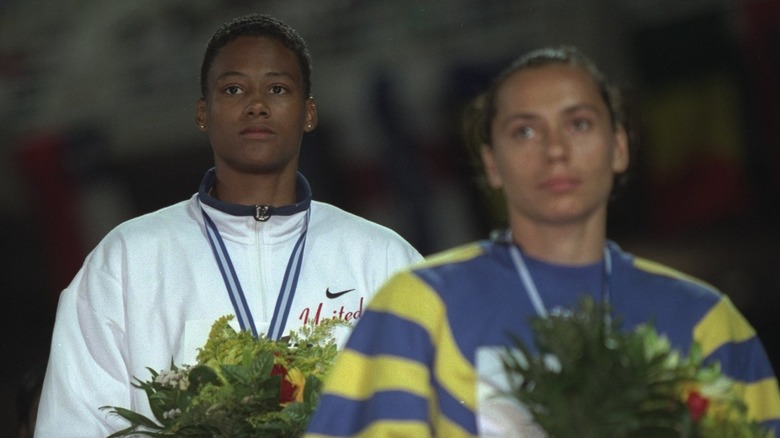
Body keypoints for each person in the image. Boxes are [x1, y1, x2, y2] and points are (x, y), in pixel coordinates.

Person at [305, 46, 780, 437]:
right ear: (491, 161)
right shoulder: (417, 308)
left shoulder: (709, 322)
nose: (555, 150)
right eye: (525, 130)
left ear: (619, 146)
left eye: (578, 124)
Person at [35, 13, 422, 437]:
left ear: (308, 113)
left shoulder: (383, 258)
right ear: (203, 113)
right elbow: (73, 423)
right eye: (233, 89)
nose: (257, 104)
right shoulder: (128, 259)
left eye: (278, 89)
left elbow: (437, 409)